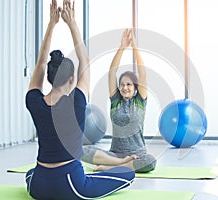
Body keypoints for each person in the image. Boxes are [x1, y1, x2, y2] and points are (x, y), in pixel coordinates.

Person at [25, 0, 135, 199]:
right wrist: (72, 23)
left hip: (38, 186)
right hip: (70, 185)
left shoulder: (34, 101)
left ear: (48, 77)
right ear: (72, 79)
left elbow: (41, 62)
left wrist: (51, 24)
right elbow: (85, 61)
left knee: (29, 175)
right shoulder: (76, 103)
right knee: (128, 174)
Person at [82, 29, 157, 173]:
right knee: (81, 151)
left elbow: (143, 72)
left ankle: (110, 168)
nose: (125, 87)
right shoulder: (116, 101)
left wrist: (134, 47)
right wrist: (122, 48)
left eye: (129, 84)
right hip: (115, 155)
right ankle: (120, 164)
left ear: (135, 87)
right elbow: (112, 72)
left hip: (138, 155)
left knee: (151, 161)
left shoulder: (140, 101)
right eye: (122, 84)